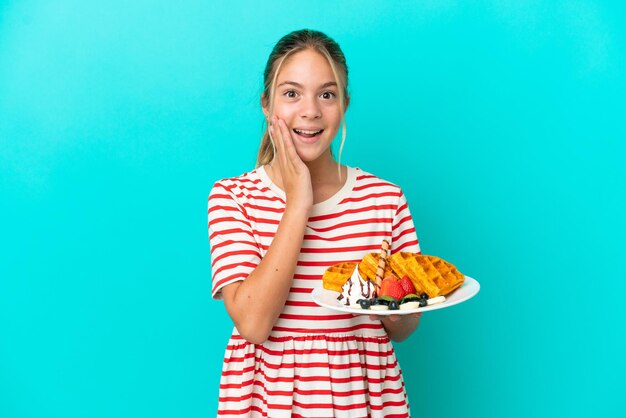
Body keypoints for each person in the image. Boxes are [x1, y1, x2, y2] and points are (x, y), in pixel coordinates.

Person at [208, 29, 422, 417]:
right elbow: (254, 324)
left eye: (327, 94)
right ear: (265, 104)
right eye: (292, 93)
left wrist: (394, 304)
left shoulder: (384, 199)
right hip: (268, 399)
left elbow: (404, 328)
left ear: (344, 105)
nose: (310, 110)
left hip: (363, 397)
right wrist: (298, 202)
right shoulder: (233, 197)